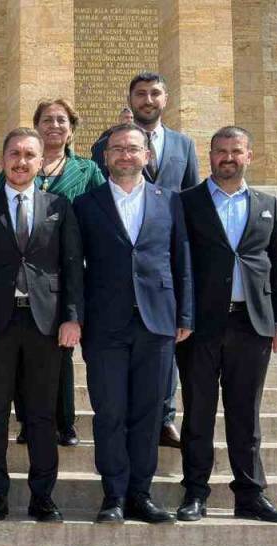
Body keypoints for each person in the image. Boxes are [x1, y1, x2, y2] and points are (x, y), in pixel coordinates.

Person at [176, 126, 277, 524]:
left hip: (252, 323)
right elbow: (178, 264)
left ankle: (250, 495)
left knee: (246, 413)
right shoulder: (187, 202)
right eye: (220, 151)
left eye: (236, 151)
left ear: (249, 156)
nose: (228, 157)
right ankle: (195, 492)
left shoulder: (266, 204)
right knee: (198, 413)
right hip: (201, 327)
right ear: (209, 156)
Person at [74, 124, 193, 525]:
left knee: (147, 413)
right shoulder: (86, 204)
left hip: (156, 323)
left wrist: (185, 315)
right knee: (109, 412)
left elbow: (182, 261)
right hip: (105, 325)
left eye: (133, 149)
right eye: (117, 149)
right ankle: (114, 495)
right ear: (105, 157)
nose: (125, 155)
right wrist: (75, 317)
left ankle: (141, 494)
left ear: (148, 156)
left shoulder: (170, 201)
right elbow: (75, 269)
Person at [0, 128, 84, 522]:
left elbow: (71, 266)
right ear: (3, 160)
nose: (21, 162)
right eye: (14, 154)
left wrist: (72, 316)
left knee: (41, 415)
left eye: (29, 155)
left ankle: (42, 497)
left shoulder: (59, 206)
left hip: (45, 324)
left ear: (41, 162)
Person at [92, 73, 203, 447]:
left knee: (161, 352)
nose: (148, 99)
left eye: (155, 93)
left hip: (162, 257)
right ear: (131, 99)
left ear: (165, 98)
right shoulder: (105, 144)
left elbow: (189, 199)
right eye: (140, 94)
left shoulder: (184, 145)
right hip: (118, 268)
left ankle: (165, 416)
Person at [0, 99, 105, 448]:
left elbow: (101, 213)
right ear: (37, 126)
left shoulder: (87, 170)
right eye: (46, 120)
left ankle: (64, 421)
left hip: (67, 270)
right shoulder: (17, 168)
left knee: (61, 353)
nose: (54, 126)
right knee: (27, 359)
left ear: (71, 128)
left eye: (61, 120)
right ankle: (29, 420)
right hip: (23, 278)